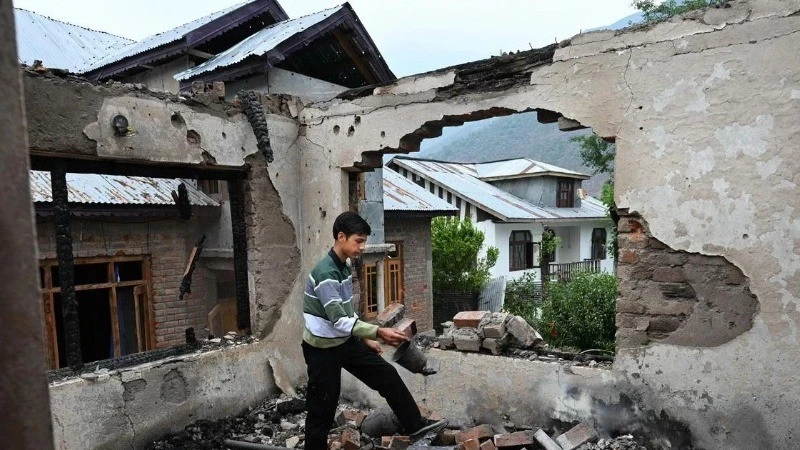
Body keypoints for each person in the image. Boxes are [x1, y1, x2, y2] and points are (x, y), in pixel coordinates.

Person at [301, 211, 446, 449]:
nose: (362, 247)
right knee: (322, 409)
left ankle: (417, 428)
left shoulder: (345, 266)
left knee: (387, 376)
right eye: (358, 240)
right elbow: (338, 319)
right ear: (340, 237)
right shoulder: (326, 273)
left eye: (364, 241)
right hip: (321, 349)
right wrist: (377, 333)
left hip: (344, 341)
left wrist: (363, 338)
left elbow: (347, 309)